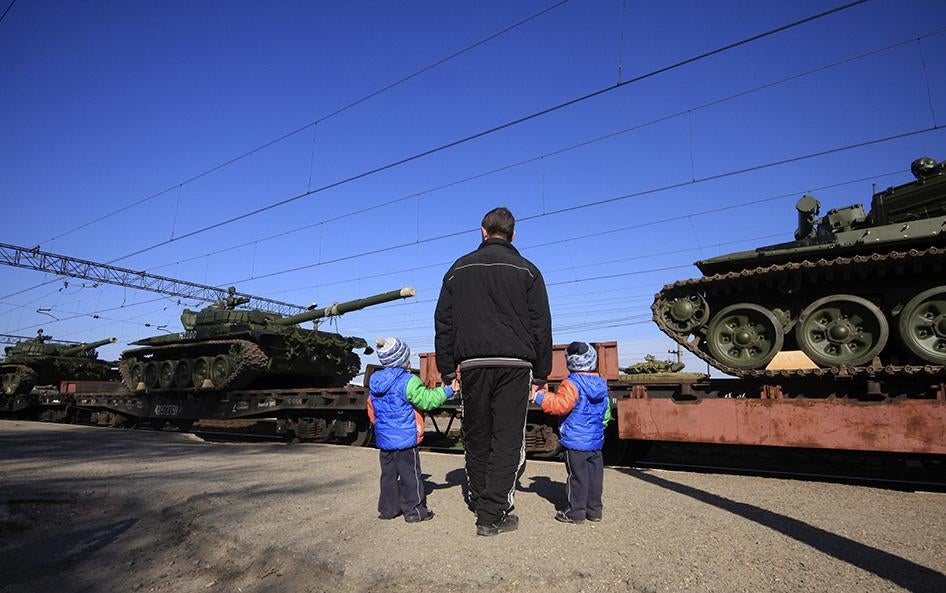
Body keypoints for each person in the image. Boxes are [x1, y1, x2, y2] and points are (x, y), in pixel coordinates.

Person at [434, 206, 552, 536]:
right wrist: (541, 375)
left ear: (483, 231)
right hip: (515, 367)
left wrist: (447, 370)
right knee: (507, 440)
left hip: (472, 365)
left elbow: (442, 322)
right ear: (513, 235)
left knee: (477, 435)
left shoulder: (458, 269)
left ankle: (482, 499)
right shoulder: (528, 271)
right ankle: (492, 513)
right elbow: (542, 326)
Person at [367, 336, 459, 523]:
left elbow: (371, 408)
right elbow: (427, 400)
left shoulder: (374, 382)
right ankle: (414, 512)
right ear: (401, 359)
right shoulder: (408, 381)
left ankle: (388, 510)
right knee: (411, 476)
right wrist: (448, 391)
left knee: (388, 476)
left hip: (385, 440)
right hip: (405, 439)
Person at [531, 341, 611, 524]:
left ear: (570, 362)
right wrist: (599, 429)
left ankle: (575, 512)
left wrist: (539, 397)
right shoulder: (601, 384)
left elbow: (560, 405)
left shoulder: (571, 384)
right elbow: (606, 413)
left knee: (578, 478)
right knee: (595, 477)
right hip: (595, 441)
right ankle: (595, 511)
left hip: (576, 442)